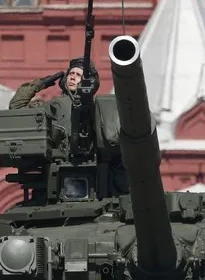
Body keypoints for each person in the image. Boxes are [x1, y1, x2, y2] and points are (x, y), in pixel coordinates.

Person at [8, 58, 129, 198]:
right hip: (58, 170)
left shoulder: (100, 107)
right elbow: (16, 106)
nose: (73, 77)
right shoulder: (54, 106)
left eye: (79, 75)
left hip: (99, 176)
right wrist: (42, 83)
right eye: (71, 73)